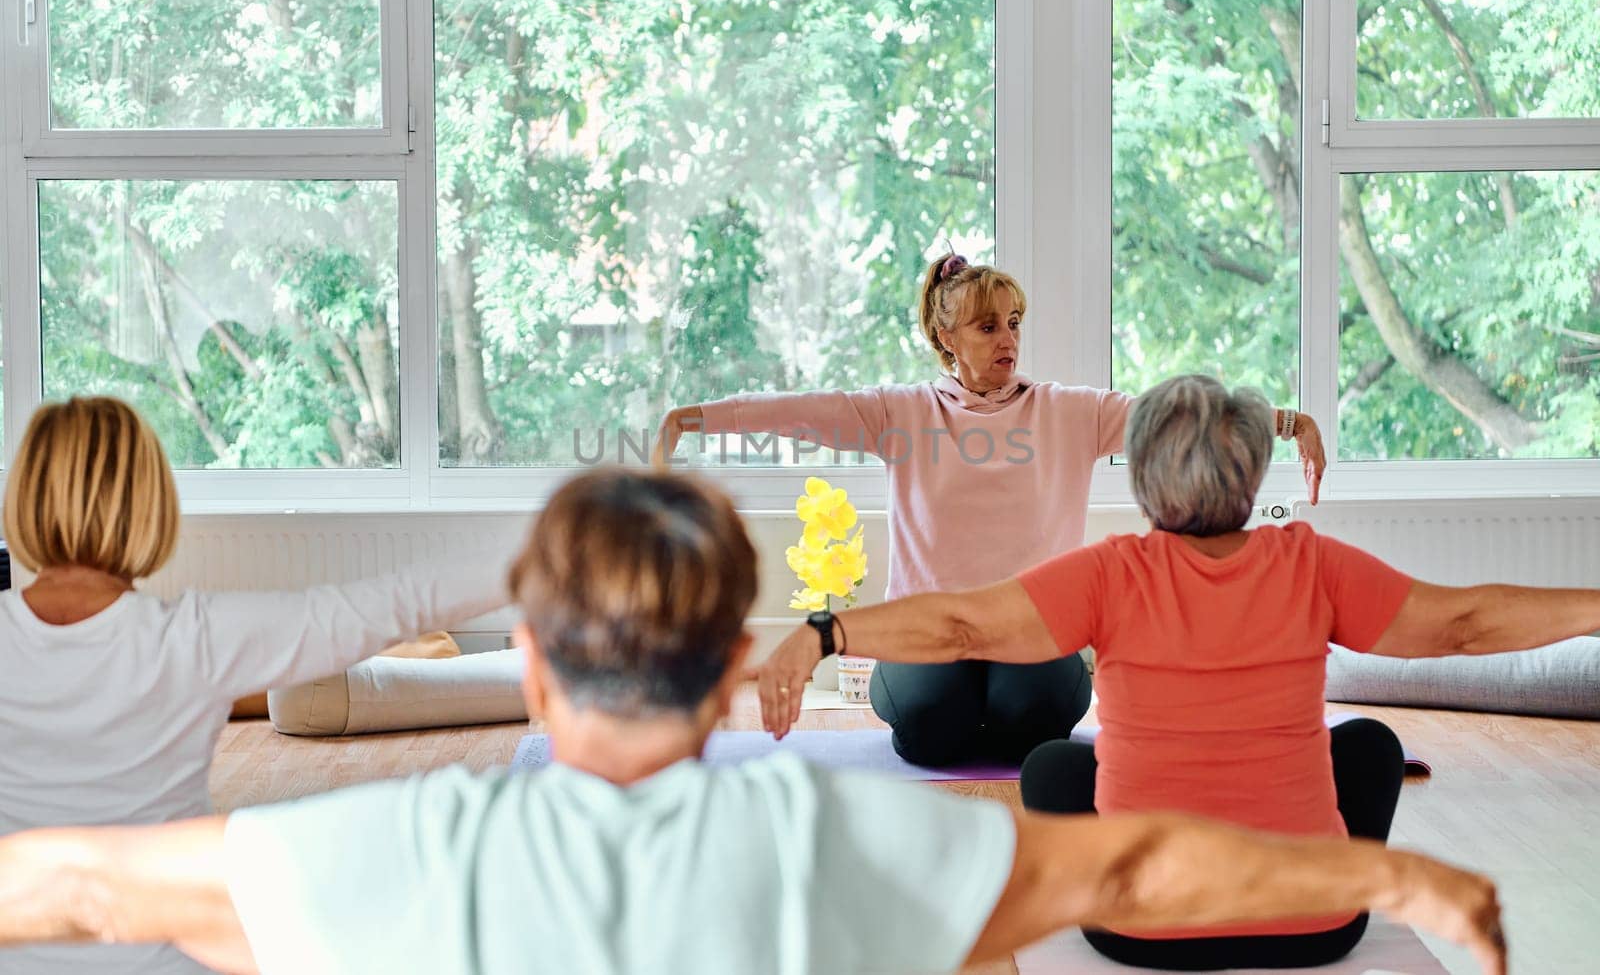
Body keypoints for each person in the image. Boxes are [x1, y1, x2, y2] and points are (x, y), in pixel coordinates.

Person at [0, 469, 1506, 975]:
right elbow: (1127, 870)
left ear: (530, 664)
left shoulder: (384, 854)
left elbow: (68, 879)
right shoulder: (843, 838)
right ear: (736, 662)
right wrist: (1395, 876)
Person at [751, 372, 1594, 970]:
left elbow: (961, 618)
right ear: (1251, 471)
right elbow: (1463, 623)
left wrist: (823, 632)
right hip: (1314, 928)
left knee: (1053, 767)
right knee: (1369, 744)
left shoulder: (1112, 570)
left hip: (1138, 932)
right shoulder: (1313, 563)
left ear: (1146, 473)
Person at [657, 251, 1327, 767]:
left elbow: (1181, 413)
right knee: (931, 733)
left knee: (1029, 731)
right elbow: (802, 410)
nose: (1007, 339)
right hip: (925, 633)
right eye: (986, 326)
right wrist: (694, 419)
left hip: (1032, 631)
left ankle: (1009, 707)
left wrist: (1287, 421)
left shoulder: (1070, 412)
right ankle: (950, 709)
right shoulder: (903, 414)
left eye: (1013, 324)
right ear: (947, 336)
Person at [0, 397, 509, 975]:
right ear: (148, 505)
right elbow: (386, 603)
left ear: (26, 499)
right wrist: (550, 552)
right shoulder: (194, 639)